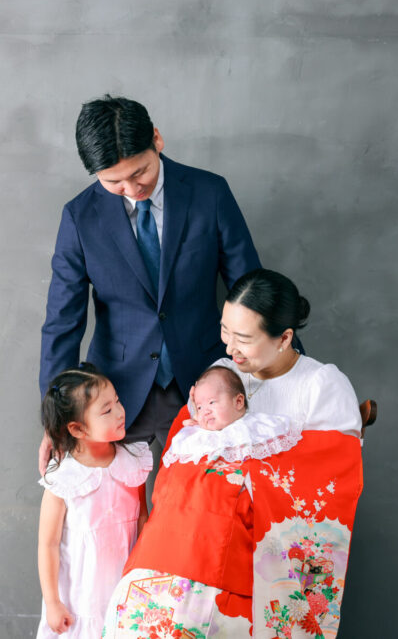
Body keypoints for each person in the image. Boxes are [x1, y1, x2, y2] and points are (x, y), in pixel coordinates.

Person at [102, 269, 363, 638]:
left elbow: (333, 470)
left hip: (258, 527)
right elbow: (184, 443)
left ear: (284, 338)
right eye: (225, 332)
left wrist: (241, 476)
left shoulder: (320, 385)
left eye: (243, 338)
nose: (229, 348)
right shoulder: (223, 373)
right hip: (190, 524)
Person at [39, 95, 264, 478]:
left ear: (156, 139)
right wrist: (55, 418)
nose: (131, 188)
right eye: (113, 181)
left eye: (139, 172)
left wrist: (287, 374)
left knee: (206, 506)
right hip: (114, 397)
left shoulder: (209, 193)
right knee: (114, 511)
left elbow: (251, 290)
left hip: (207, 388)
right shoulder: (79, 217)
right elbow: (63, 320)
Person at [36, 363, 152, 639]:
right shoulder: (64, 479)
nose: (120, 412)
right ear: (78, 429)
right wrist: (52, 602)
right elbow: (48, 544)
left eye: (117, 401)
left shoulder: (133, 462)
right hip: (81, 596)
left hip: (126, 585)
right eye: (107, 410)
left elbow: (142, 519)